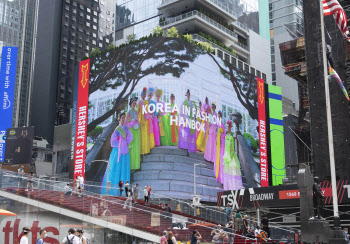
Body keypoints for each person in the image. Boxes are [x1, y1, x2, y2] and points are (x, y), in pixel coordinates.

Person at [101, 112, 133, 195]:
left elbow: (130, 137)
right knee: (115, 169)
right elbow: (112, 141)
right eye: (122, 117)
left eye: (124, 117)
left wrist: (126, 143)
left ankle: (123, 190)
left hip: (125, 151)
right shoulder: (117, 129)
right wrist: (120, 142)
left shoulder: (126, 128)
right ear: (119, 119)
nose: (123, 119)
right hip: (118, 151)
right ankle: (113, 190)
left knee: (124, 170)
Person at [223, 120, 243, 190]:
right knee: (227, 173)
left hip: (231, 157)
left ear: (230, 128)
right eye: (226, 127)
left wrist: (230, 157)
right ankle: (227, 188)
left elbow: (233, 149)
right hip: (226, 156)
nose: (227, 128)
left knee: (232, 173)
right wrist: (225, 156)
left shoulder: (231, 137)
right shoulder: (226, 137)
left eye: (228, 127)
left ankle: (233, 188)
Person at [126, 97, 141, 170]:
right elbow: (126, 122)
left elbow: (138, 120)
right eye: (133, 103)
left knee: (135, 146)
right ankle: (130, 165)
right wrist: (131, 121)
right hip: (131, 130)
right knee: (131, 146)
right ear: (131, 104)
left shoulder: (136, 112)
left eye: (135, 103)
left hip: (135, 129)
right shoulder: (129, 112)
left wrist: (137, 123)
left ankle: (135, 165)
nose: (134, 105)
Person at [138, 87, 151, 154]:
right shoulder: (139, 103)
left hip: (146, 121)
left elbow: (148, 111)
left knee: (146, 136)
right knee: (142, 137)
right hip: (141, 121)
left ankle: (146, 150)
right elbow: (137, 112)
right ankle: (142, 151)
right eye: (143, 94)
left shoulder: (146, 102)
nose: (144, 95)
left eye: (145, 94)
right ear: (141, 95)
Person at [215, 111, 225, 183]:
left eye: (219, 116)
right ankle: (217, 175)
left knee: (221, 160)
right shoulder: (217, 124)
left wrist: (221, 140)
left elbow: (224, 135)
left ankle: (221, 176)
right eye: (217, 116)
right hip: (217, 144)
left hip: (221, 145)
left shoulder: (222, 125)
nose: (218, 117)